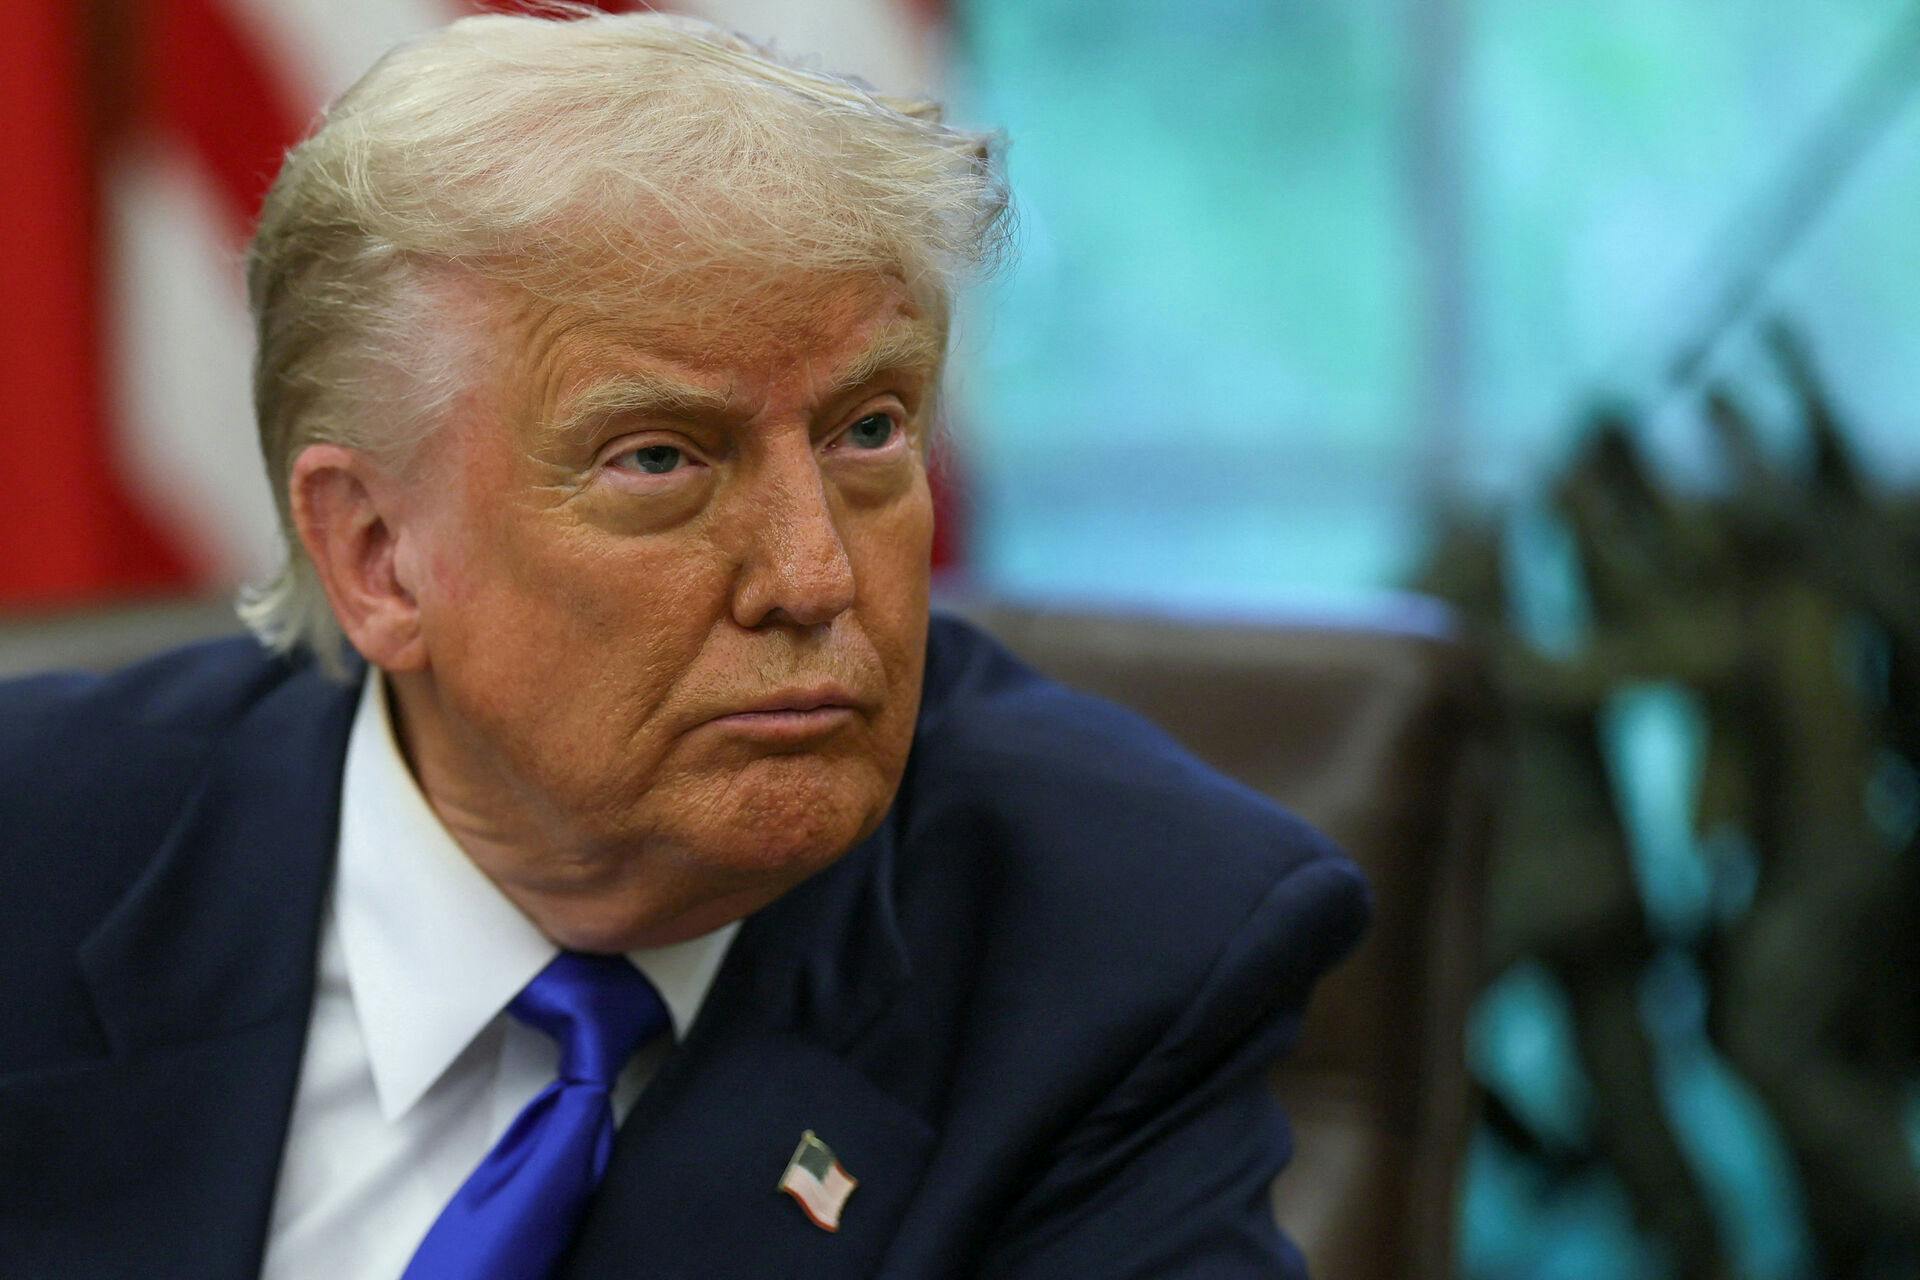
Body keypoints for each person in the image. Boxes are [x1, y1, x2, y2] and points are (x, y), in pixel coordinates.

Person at [0, 10, 1368, 1278]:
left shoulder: (1118, 946)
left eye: (871, 432)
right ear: (375, 555)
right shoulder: (40, 854)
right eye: (660, 459)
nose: (815, 573)